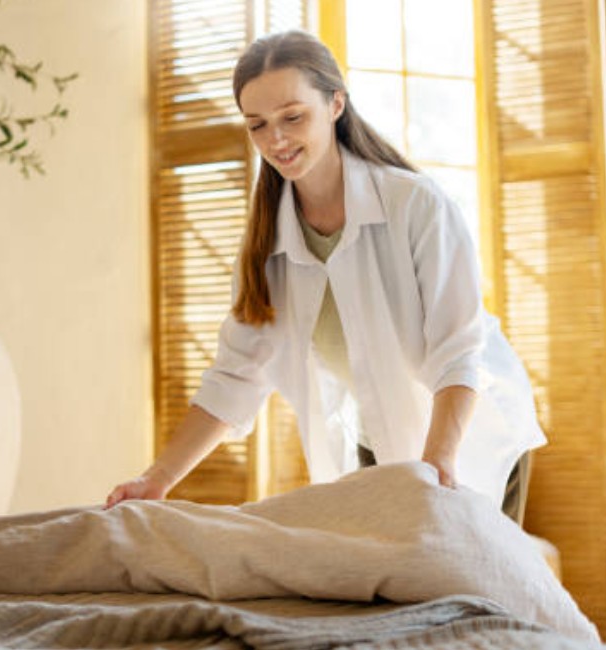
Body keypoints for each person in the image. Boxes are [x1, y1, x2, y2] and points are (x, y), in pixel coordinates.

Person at [107, 30, 546, 520]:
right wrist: (156, 479)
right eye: (257, 125)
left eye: (293, 117)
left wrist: (439, 464)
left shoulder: (415, 205)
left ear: (336, 103)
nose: (276, 139)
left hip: (470, 435)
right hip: (379, 439)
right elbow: (235, 376)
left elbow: (458, 352)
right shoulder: (265, 244)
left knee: (472, 590)